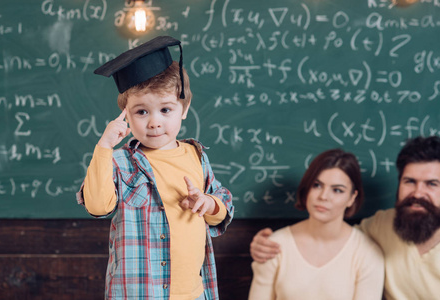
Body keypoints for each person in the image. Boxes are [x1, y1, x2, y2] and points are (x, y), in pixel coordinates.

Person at [76, 36, 234, 300]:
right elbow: (97, 206)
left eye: (165, 109)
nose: (154, 123)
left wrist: (209, 204)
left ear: (184, 108)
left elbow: (223, 207)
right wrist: (104, 147)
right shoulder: (118, 161)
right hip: (141, 292)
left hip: (195, 292)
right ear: (125, 114)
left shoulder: (196, 156)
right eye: (141, 112)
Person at [250, 136, 440, 300]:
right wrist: (261, 244)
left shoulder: (368, 252)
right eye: (410, 182)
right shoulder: (382, 225)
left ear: (352, 197)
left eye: (432, 184)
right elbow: (337, 237)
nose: (418, 193)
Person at [248, 149, 384, 300]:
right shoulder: (274, 246)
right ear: (307, 188)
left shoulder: (367, 254)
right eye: (317, 185)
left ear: (352, 198)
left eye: (337, 190)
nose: (323, 196)